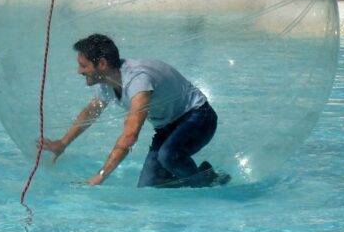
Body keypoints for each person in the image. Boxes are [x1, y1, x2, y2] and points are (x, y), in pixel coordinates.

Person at [40, 34, 229, 187]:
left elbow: (130, 134)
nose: (79, 71)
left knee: (168, 155)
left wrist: (101, 175)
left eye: (83, 66)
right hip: (167, 127)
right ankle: (200, 174)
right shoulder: (107, 81)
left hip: (198, 118)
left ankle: (206, 181)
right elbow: (91, 112)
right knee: (148, 186)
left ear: (102, 64)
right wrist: (62, 143)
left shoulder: (138, 80)